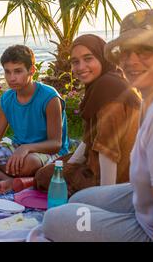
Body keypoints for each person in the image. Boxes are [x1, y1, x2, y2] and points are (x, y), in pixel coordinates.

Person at [42, 9, 153, 242]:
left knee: (53, 219)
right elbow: (90, 139)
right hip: (140, 193)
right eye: (126, 52)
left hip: (148, 228)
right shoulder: (148, 97)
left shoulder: (120, 93)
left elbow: (108, 147)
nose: (132, 61)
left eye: (145, 50)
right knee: (78, 200)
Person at [34, 35, 141, 195]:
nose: (81, 67)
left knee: (45, 178)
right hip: (98, 161)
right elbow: (90, 137)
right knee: (48, 173)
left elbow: (108, 150)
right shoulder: (107, 82)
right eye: (75, 62)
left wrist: (106, 198)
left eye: (88, 59)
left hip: (119, 176)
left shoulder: (108, 88)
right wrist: (70, 166)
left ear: (102, 58)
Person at [0, 45, 69, 192]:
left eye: (18, 71)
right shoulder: (7, 98)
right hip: (17, 148)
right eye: (7, 72)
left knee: (27, 164)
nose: (12, 78)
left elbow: (56, 143)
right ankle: (8, 180)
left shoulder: (49, 97)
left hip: (47, 152)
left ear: (32, 71)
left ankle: (2, 172)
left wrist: (26, 148)